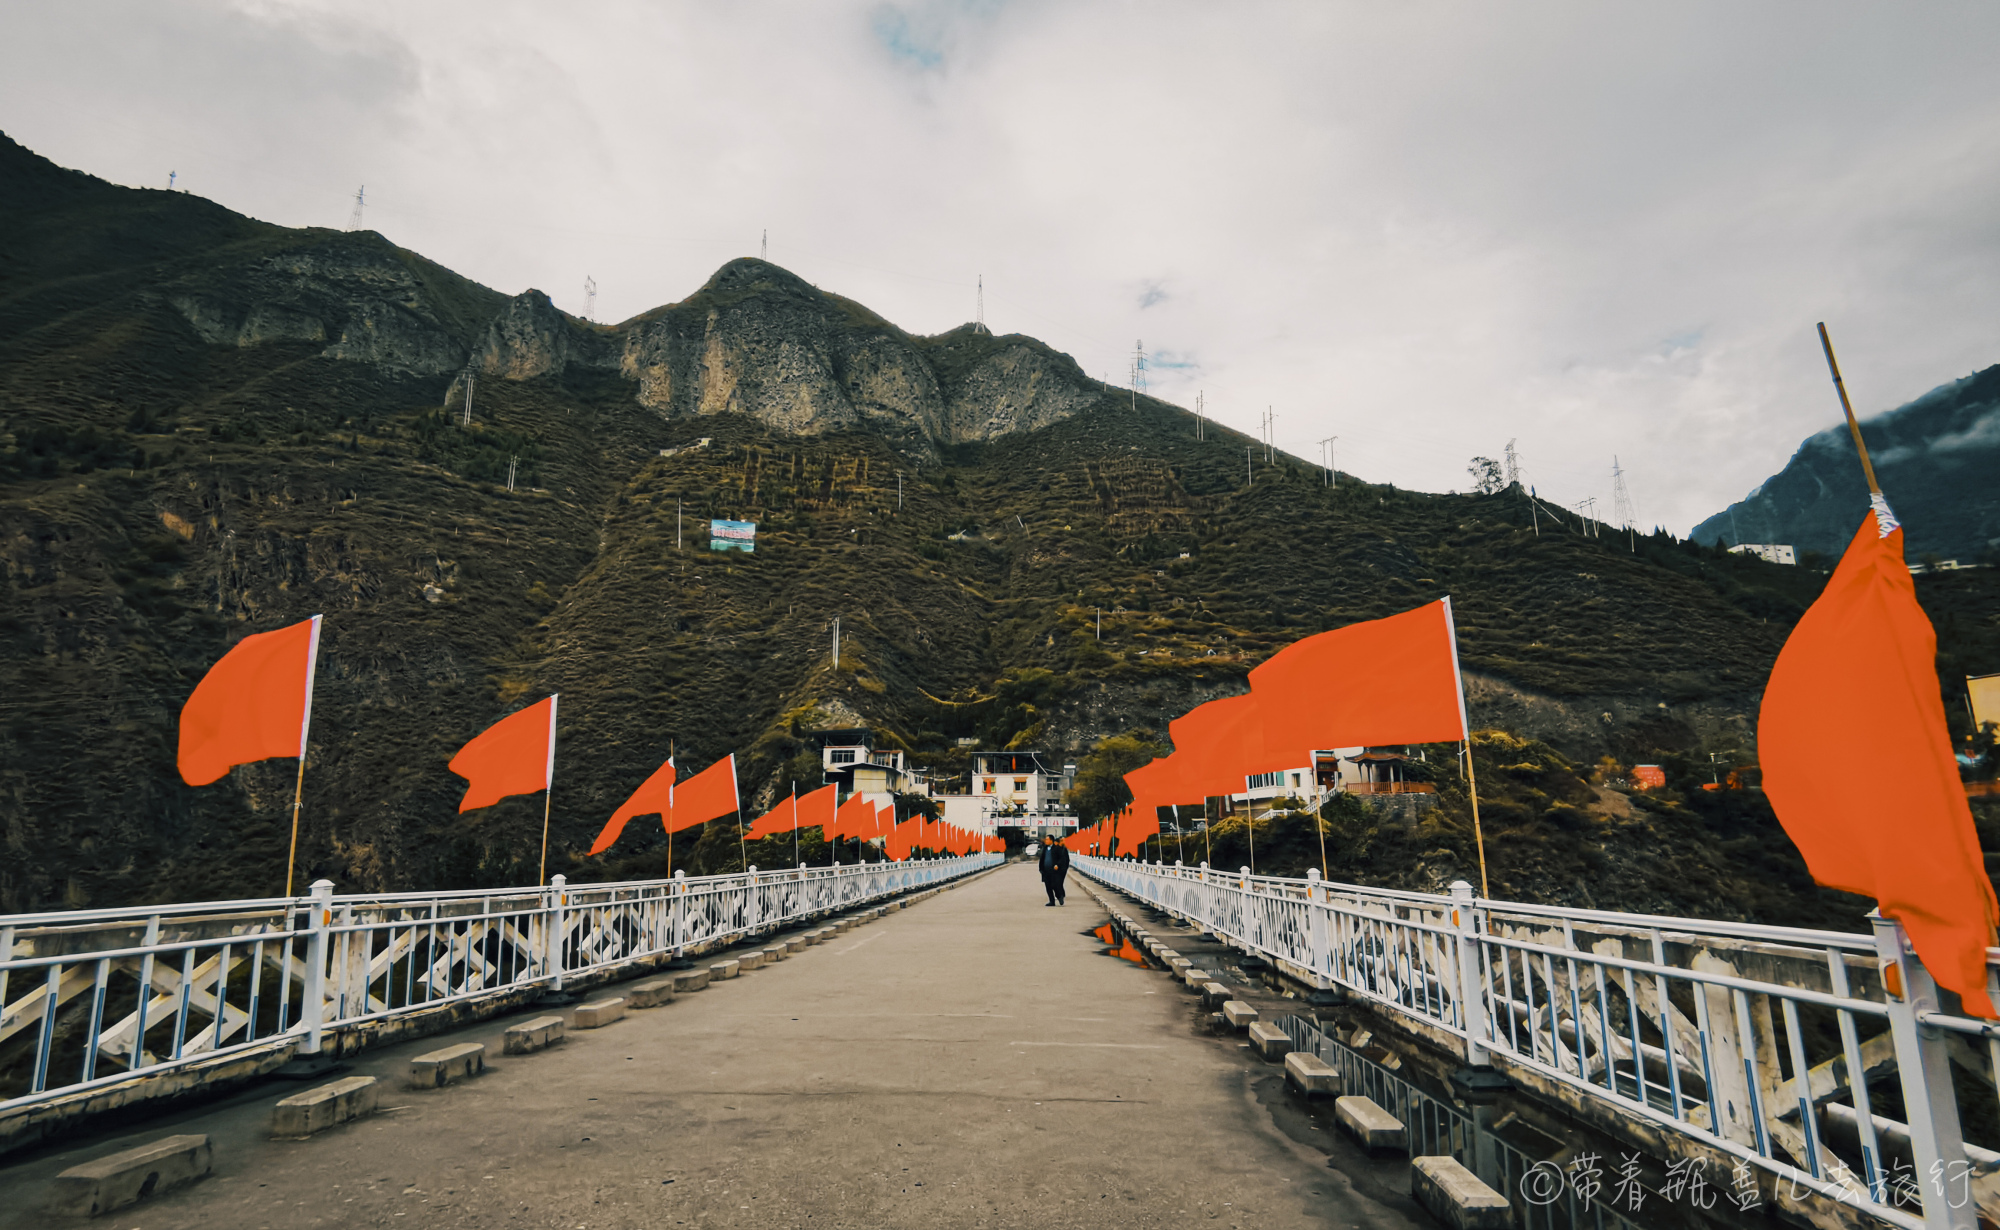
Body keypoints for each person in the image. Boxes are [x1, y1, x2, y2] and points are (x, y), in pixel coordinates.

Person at [1038, 836, 1069, 906]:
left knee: (1055, 885)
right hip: (1046, 871)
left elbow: (1062, 858)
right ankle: (1052, 901)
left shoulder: (1056, 848)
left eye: (1047, 839)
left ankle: (1059, 897)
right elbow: (1042, 859)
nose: (1046, 841)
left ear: (1051, 840)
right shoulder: (1045, 848)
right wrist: (1041, 868)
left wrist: (1057, 865)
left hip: (1054, 871)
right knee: (1048, 887)